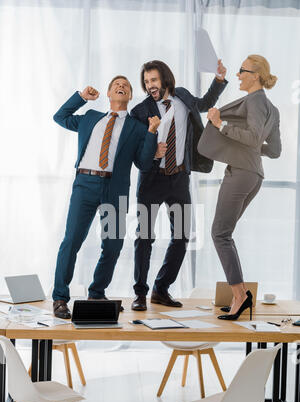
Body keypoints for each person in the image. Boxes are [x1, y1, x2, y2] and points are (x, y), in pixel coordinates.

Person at [52, 77, 160, 318]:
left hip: (114, 188)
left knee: (113, 245)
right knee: (71, 242)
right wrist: (81, 97)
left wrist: (152, 133)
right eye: (116, 85)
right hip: (85, 184)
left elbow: (143, 163)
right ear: (109, 93)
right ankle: (60, 297)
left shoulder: (138, 127)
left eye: (126, 86)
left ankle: (97, 293)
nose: (121, 86)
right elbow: (59, 117)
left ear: (130, 96)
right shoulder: (90, 117)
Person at [130, 59, 228, 311]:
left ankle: (160, 289)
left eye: (153, 80)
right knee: (144, 237)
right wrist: (152, 152)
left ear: (165, 78)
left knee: (182, 236)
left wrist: (218, 80)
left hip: (179, 179)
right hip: (151, 179)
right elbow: (135, 150)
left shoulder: (182, 97)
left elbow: (205, 104)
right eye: (146, 81)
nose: (150, 85)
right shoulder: (140, 112)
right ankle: (140, 293)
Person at [198, 54, 281, 320]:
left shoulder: (255, 101)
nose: (238, 75)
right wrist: (255, 151)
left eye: (242, 71)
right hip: (254, 173)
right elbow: (275, 150)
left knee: (219, 234)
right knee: (225, 233)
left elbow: (253, 136)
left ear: (255, 75)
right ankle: (242, 294)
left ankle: (239, 297)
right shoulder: (273, 109)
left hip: (242, 172)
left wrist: (220, 124)